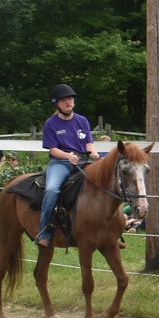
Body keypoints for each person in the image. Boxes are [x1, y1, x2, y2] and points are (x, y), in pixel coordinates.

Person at [36, 84, 95, 246]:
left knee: (103, 183)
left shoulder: (82, 121)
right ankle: (45, 230)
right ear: (56, 104)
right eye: (64, 100)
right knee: (51, 189)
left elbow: (88, 144)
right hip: (60, 162)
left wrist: (94, 154)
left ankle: (111, 229)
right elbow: (53, 149)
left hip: (83, 161)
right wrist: (68, 156)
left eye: (70, 99)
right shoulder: (50, 123)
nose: (68, 102)